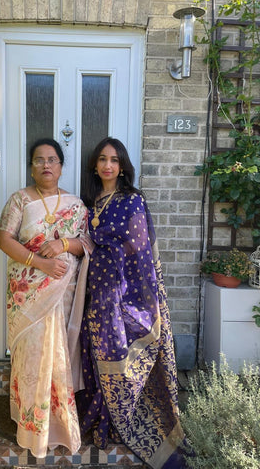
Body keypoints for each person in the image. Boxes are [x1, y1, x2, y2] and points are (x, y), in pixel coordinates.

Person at [79, 137, 186, 468]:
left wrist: (96, 252)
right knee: (94, 356)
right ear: (95, 166)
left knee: (116, 357)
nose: (108, 165)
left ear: (122, 166)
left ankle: (122, 418)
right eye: (102, 159)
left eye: (114, 160)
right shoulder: (89, 202)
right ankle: (100, 418)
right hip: (93, 294)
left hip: (122, 295)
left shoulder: (132, 201)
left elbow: (136, 252)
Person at [0, 138, 92, 458]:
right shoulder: (19, 200)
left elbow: (86, 244)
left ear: (61, 166)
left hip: (59, 296)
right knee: (31, 357)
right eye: (39, 160)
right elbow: (3, 240)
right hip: (28, 296)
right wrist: (41, 263)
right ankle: (30, 425)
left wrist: (63, 245)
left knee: (58, 358)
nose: (46, 165)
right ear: (31, 167)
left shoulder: (76, 205)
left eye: (52, 160)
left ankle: (59, 427)